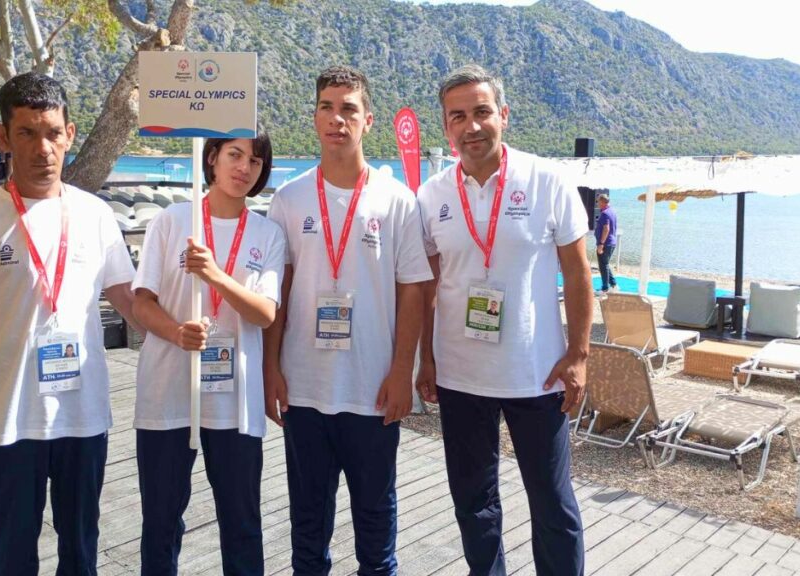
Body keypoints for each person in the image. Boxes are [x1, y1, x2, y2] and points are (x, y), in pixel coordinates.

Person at [0, 72, 139, 575]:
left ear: (70, 134)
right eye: (26, 133)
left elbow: (128, 299)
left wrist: (183, 324)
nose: (42, 148)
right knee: (12, 553)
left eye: (52, 133)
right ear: (2, 137)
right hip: (7, 419)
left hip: (83, 416)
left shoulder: (95, 214)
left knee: (81, 549)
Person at [416, 64, 592, 576]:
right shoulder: (432, 195)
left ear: (504, 115)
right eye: (458, 116)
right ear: (445, 126)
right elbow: (427, 286)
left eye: (482, 112)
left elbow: (578, 274)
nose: (471, 126)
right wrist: (426, 359)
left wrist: (578, 354)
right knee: (474, 502)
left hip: (536, 374)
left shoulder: (547, 180)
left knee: (552, 503)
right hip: (459, 375)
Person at [264, 65, 432, 575]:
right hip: (304, 388)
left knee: (376, 527)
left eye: (349, 109)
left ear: (368, 120)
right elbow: (277, 292)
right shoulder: (288, 199)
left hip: (372, 389)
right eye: (327, 108)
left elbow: (414, 289)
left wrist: (403, 372)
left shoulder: (397, 200)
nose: (337, 119)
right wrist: (271, 368)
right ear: (315, 117)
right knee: (307, 528)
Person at [131, 130, 285, 575]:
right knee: (161, 521)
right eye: (235, 155)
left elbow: (264, 313)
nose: (244, 168)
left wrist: (216, 275)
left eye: (255, 161)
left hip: (235, 403)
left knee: (241, 524)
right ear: (212, 157)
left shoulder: (267, 233)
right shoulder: (173, 221)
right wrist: (177, 332)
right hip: (167, 395)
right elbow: (142, 302)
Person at [595, 193, 617, 294]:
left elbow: (606, 229)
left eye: (598, 201)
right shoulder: (612, 211)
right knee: (606, 264)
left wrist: (601, 243)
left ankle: (605, 288)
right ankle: (613, 284)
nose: (597, 203)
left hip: (606, 243)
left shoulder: (605, 214)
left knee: (603, 266)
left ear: (602, 202)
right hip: (611, 242)